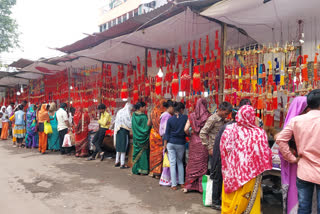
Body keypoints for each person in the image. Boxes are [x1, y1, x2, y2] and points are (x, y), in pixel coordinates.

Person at [220, 105, 272, 213]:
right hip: (251, 174)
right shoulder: (259, 133)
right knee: (249, 201)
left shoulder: (229, 129)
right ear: (253, 116)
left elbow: (223, 150)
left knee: (232, 197)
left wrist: (230, 165)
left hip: (232, 172)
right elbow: (265, 153)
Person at [277, 90, 320, 214]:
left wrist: (291, 158)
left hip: (304, 170)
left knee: (304, 207)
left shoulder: (296, 120)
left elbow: (280, 139)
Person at [210, 106, 238, 210]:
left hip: (225, 157)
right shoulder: (229, 127)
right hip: (222, 157)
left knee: (221, 179)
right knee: (218, 178)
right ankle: (215, 201)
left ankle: (220, 200)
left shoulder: (228, 126)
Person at [183, 98, 211, 193]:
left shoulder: (191, 116)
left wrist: (191, 134)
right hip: (204, 142)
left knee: (192, 164)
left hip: (194, 141)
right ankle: (201, 188)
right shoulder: (209, 116)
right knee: (202, 164)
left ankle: (188, 186)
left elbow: (185, 129)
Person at [164, 102, 188, 190]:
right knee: (180, 162)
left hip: (171, 143)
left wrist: (165, 145)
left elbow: (167, 133)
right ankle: (181, 183)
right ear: (181, 110)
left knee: (172, 164)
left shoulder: (170, 120)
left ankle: (174, 184)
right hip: (181, 143)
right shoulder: (185, 118)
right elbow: (187, 130)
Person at [131, 102, 152, 175]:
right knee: (143, 154)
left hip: (136, 138)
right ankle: (143, 170)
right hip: (143, 138)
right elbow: (146, 128)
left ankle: (136, 169)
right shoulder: (144, 117)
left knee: (137, 153)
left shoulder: (133, 115)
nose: (145, 108)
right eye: (144, 107)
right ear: (140, 108)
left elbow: (133, 127)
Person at [149, 99, 166, 178]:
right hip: (160, 135)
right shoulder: (163, 113)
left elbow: (148, 123)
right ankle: (158, 173)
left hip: (153, 135)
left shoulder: (152, 112)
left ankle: (152, 171)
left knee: (153, 153)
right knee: (160, 154)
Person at [159, 100, 174, 186]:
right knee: (168, 159)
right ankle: (166, 179)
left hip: (165, 138)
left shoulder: (164, 115)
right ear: (170, 107)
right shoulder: (167, 116)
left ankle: (166, 179)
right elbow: (165, 130)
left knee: (167, 158)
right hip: (167, 139)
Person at [114, 102, 133, 168]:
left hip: (118, 131)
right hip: (124, 132)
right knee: (123, 147)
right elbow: (129, 123)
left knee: (118, 147)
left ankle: (116, 161)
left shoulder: (120, 111)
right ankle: (122, 164)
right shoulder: (126, 113)